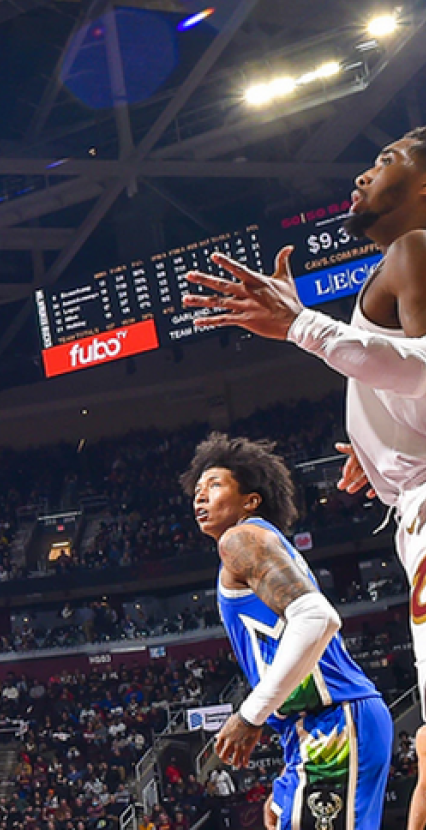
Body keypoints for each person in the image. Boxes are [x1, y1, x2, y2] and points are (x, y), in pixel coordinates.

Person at [184, 128, 426, 828]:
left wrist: (301, 325)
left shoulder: (415, 248)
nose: (362, 175)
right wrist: (381, 451)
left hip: (330, 717)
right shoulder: (399, 263)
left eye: (385, 161)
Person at [185, 432, 391, 830]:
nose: (200, 496)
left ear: (251, 500)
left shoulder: (241, 538)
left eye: (215, 485)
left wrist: (249, 715)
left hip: (333, 720)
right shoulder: (260, 544)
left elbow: (317, 618)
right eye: (197, 490)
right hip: (313, 730)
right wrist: (290, 770)